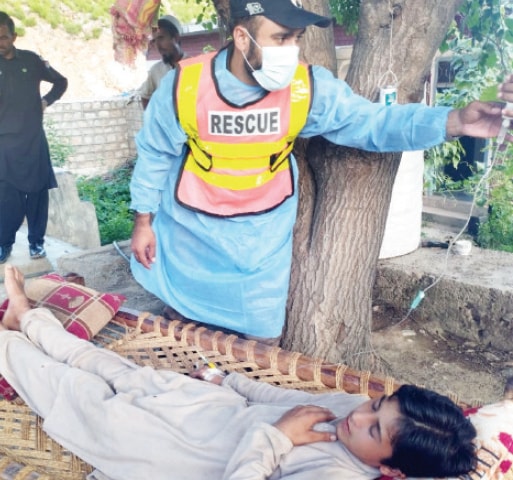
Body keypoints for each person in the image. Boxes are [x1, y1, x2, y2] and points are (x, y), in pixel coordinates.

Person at [129, 0, 513, 344]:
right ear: (242, 37)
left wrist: (456, 120)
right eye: (280, 38)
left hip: (260, 236)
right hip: (191, 226)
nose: (291, 51)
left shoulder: (306, 87)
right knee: (182, 314)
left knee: (262, 338)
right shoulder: (185, 84)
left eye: (296, 38)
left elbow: (373, 123)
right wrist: (143, 220)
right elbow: (155, 153)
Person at [0, 263, 477, 480]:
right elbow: (271, 396)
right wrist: (224, 378)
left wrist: (280, 438)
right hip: (204, 406)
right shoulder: (353, 409)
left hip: (165, 451)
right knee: (108, 364)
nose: (359, 416)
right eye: (376, 405)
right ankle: (27, 316)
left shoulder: (335, 474)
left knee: (69, 387)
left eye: (375, 430)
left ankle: (10, 341)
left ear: (390, 469)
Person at [0, 12, 68, 264]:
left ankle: (36, 243)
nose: (0, 43)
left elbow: (61, 82)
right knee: (6, 196)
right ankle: (4, 244)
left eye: (4, 37)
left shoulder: (31, 60)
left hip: (32, 139)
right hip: (4, 143)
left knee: (38, 193)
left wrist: (46, 101)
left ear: (14, 36)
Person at [138, 15, 184, 110]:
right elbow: (145, 97)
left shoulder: (194, 65)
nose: (158, 45)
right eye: (154, 41)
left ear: (175, 37)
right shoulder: (155, 71)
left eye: (161, 38)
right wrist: (153, 120)